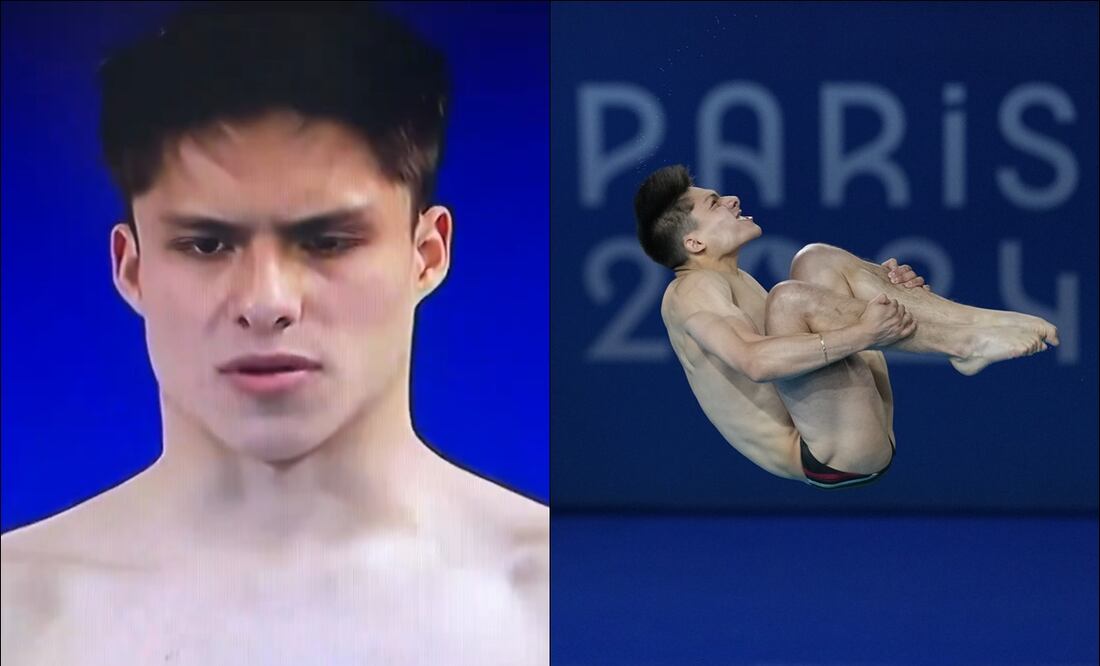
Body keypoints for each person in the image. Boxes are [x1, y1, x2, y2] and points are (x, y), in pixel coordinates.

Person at [0, 4, 547, 664]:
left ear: (427, 253)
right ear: (132, 267)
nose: (266, 303)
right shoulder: (18, 610)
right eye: (205, 244)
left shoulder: (550, 602)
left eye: (327, 241)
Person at [634, 164, 1057, 489]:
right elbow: (754, 362)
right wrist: (865, 331)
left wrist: (886, 291)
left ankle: (967, 330)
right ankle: (964, 341)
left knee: (816, 259)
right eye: (714, 203)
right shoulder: (691, 291)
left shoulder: (737, 280)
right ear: (694, 243)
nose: (732, 199)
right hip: (826, 453)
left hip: (848, 418)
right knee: (790, 298)